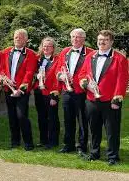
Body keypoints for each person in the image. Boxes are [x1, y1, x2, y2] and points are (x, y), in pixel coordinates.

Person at [78, 30, 128, 165]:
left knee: (112, 130)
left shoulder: (120, 58)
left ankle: (112, 157)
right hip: (91, 100)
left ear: (111, 42)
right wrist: (85, 83)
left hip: (110, 101)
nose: (102, 42)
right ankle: (94, 153)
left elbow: (121, 80)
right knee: (94, 129)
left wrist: (116, 100)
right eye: (100, 39)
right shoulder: (90, 56)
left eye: (105, 40)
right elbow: (82, 73)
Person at [55, 28, 94, 155]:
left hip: (81, 92)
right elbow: (58, 70)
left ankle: (82, 146)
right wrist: (61, 76)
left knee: (82, 120)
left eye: (78, 37)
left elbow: (91, 73)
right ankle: (68, 144)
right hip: (67, 91)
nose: (75, 39)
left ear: (83, 39)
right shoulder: (65, 51)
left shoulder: (90, 53)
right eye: (73, 37)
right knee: (68, 119)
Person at [0, 29, 37, 151]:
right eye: (16, 37)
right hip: (8, 89)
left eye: (20, 37)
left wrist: (21, 89)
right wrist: (4, 78)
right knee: (11, 116)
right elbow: (1, 68)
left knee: (22, 116)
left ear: (26, 40)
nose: (17, 39)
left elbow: (29, 73)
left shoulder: (31, 54)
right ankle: (15, 141)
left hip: (22, 91)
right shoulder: (6, 52)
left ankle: (28, 142)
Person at [33, 37, 60, 149]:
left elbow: (58, 78)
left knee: (52, 117)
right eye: (44, 46)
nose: (46, 48)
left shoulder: (58, 60)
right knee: (41, 117)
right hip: (39, 91)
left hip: (51, 93)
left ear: (53, 48)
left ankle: (53, 141)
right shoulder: (39, 59)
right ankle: (43, 140)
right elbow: (33, 73)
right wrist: (36, 76)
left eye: (48, 46)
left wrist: (55, 96)